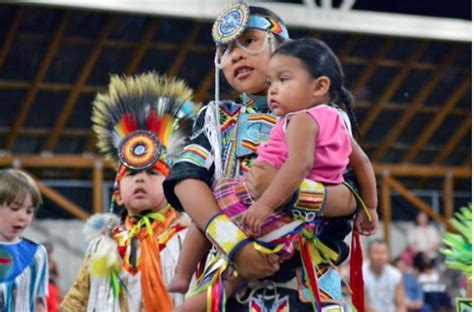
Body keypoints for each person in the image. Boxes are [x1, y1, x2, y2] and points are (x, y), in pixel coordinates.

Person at [163, 2, 377, 311]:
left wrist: (283, 194)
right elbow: (186, 182)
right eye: (225, 50)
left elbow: (349, 198)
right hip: (230, 271)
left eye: (249, 41)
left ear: (284, 48)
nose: (235, 54)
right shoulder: (217, 118)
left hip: (306, 279)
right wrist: (235, 246)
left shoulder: (323, 118)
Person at [60, 72, 199, 311]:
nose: (141, 179)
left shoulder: (188, 238)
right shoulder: (103, 245)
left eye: (153, 173)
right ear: (117, 193)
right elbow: (77, 300)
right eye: (132, 175)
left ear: (173, 186)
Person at [0, 169, 48, 312]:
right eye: (15, 208)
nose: (23, 217)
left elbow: (39, 303)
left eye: (29, 211)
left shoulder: (36, 255)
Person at [364, 240, 406, 312]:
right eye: (376, 253)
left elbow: (401, 304)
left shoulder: (396, 274)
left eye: (383, 253)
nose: (380, 257)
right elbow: (363, 305)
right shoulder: (360, 273)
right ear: (368, 254)